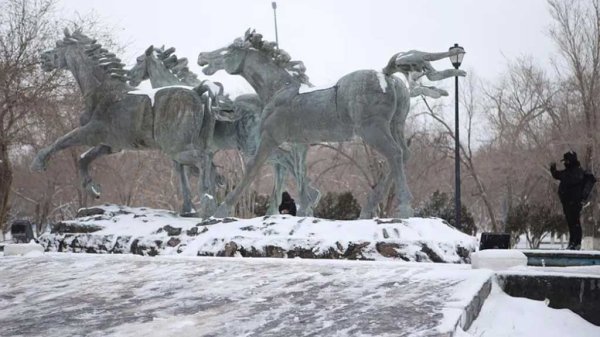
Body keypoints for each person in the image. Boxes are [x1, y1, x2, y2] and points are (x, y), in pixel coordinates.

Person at [550, 151, 585, 250]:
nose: (565, 163)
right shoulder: (569, 171)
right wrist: (553, 169)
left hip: (574, 202)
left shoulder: (576, 171)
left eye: (566, 161)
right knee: (571, 223)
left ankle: (576, 242)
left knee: (575, 222)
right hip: (567, 202)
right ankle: (572, 242)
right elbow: (558, 175)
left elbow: (567, 178)